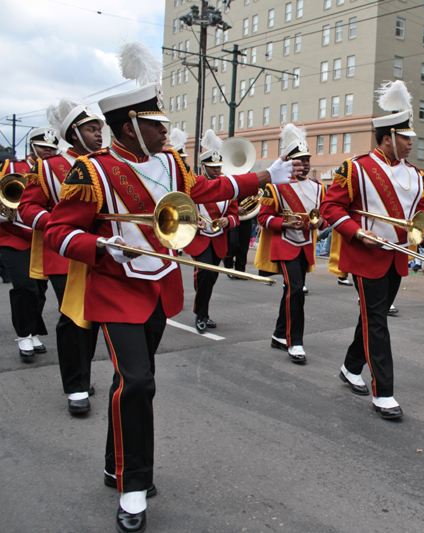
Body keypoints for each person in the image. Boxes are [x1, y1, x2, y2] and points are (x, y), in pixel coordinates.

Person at [43, 42, 301, 533]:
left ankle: (113, 462)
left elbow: (208, 191)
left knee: (134, 383)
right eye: (157, 123)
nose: (166, 129)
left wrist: (265, 175)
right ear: (130, 126)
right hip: (115, 289)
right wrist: (101, 248)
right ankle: (134, 483)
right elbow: (57, 231)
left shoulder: (171, 164)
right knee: (138, 381)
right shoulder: (91, 170)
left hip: (160, 286)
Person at [320, 80, 424, 420]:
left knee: (372, 318)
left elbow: (420, 212)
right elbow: (330, 209)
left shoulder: (416, 174)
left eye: (411, 138)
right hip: (366, 256)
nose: (411, 143)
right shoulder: (355, 168)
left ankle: (350, 367)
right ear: (387, 138)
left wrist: (419, 232)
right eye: (405, 138)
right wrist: (357, 233)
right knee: (378, 321)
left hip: (396, 255)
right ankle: (383, 392)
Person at [18, 100, 105, 414]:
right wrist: (52, 224)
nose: (98, 135)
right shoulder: (47, 167)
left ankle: (83, 373)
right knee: (72, 317)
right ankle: (76, 387)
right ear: (73, 133)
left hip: (99, 253)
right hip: (64, 253)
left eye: (99, 129)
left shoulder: (105, 164)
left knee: (92, 317)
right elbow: (27, 207)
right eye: (90, 129)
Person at [254, 124, 324, 363]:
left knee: (291, 290)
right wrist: (284, 224)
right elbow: (263, 218)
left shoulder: (318, 187)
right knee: (296, 290)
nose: (303, 165)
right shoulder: (275, 187)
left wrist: (320, 222)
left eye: (306, 160)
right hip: (284, 244)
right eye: (298, 161)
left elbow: (322, 216)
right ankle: (296, 342)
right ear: (289, 163)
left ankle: (278, 335)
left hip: (305, 244)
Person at [0, 130, 54, 360]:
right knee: (24, 286)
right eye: (43, 147)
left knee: (39, 290)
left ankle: (32, 330)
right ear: (32, 146)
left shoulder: (56, 171)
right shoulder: (12, 167)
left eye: (52, 148)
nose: (48, 151)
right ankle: (23, 334)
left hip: (42, 239)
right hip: (12, 238)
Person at [183, 130, 241, 333]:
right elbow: (183, 210)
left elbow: (235, 215)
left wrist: (227, 221)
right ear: (203, 167)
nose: (216, 171)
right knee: (205, 272)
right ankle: (201, 314)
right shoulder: (195, 185)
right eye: (212, 168)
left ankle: (204, 311)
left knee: (211, 277)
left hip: (218, 238)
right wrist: (191, 222)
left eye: (218, 167)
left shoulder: (227, 186)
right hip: (199, 237)